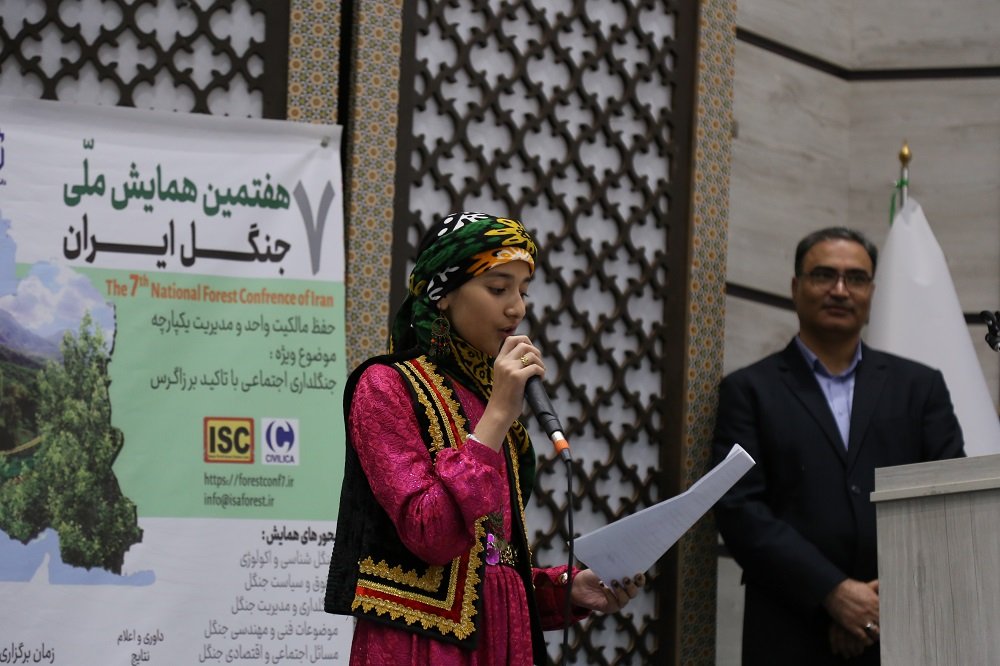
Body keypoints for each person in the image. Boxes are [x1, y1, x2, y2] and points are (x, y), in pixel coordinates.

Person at [325, 212, 644, 665]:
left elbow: (493, 566)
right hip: (419, 649)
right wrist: (495, 418)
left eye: (523, 291)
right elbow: (431, 535)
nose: (518, 309)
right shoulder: (386, 385)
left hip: (501, 643)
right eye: (498, 289)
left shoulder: (489, 400)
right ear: (442, 294)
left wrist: (566, 588)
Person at [712, 227, 965, 665]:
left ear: (872, 292)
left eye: (857, 278)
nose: (841, 290)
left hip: (903, 625)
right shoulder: (749, 390)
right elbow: (739, 509)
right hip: (789, 627)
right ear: (796, 287)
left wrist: (876, 604)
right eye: (824, 275)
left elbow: (948, 500)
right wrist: (833, 592)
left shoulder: (920, 387)